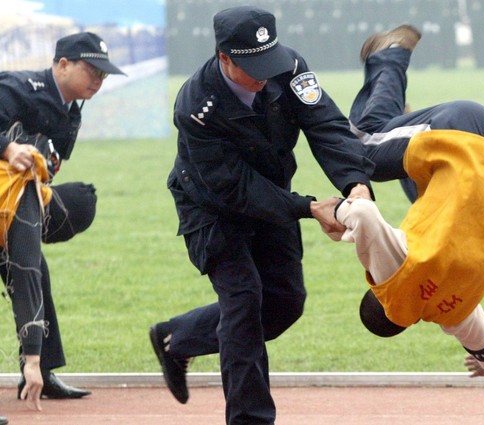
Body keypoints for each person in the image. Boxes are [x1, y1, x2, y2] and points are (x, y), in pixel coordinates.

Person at [149, 6, 375, 425]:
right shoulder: (196, 106)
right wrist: (307, 208)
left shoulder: (288, 68)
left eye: (268, 63)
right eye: (252, 68)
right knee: (243, 302)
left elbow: (324, 123)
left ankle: (175, 337)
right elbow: (231, 186)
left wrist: (355, 182)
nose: (265, 76)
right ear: (224, 59)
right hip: (211, 206)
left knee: (286, 303)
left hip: (273, 194)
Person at [315, 25, 484, 377]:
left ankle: (404, 126)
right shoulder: (393, 276)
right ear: (380, 292)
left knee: (425, 202)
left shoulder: (452, 312)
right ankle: (391, 54)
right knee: (362, 145)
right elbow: (362, 213)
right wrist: (335, 211)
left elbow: (481, 340)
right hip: (465, 134)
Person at [0, 31, 126, 412]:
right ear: (63, 64)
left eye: (104, 74)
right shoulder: (23, 87)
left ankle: (43, 371)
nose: (98, 80)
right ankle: (37, 363)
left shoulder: (71, 108)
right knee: (28, 264)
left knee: (80, 202)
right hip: (9, 202)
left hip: (16, 205)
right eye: (92, 70)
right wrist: (5, 147)